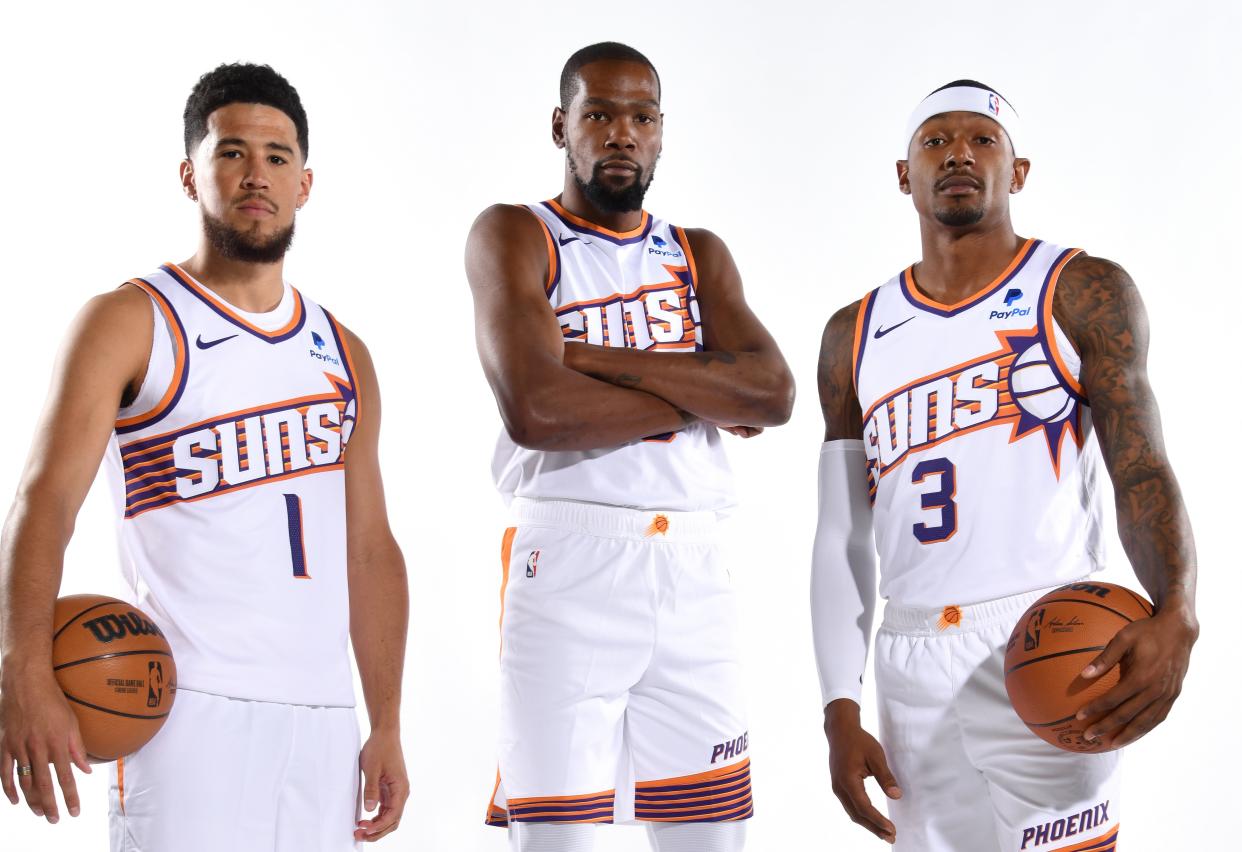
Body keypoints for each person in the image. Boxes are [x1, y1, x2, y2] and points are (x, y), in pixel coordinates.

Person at [0, 63, 409, 850]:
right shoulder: (131, 320)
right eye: (232, 152)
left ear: (306, 183)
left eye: (277, 157)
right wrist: (22, 667)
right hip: (185, 708)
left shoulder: (344, 351)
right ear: (192, 174)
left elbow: (370, 549)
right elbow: (42, 504)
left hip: (323, 719)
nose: (257, 174)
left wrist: (384, 718)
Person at [811, 80, 1198, 850]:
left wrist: (1177, 605)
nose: (958, 152)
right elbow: (839, 534)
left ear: (1018, 172)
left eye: (983, 139)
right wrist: (838, 705)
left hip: (1047, 634)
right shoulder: (851, 333)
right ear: (903, 174)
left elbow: (1141, 466)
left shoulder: (1081, 289)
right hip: (909, 661)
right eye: (936, 140)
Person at [465, 41, 794, 852]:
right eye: (600, 114)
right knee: (557, 842)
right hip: (569, 561)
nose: (622, 133)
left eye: (641, 116)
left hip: (694, 572)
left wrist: (591, 360)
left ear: (661, 132)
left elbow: (773, 395)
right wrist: (699, 393)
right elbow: (537, 409)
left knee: (713, 839)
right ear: (560, 125)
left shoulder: (698, 253)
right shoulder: (516, 233)